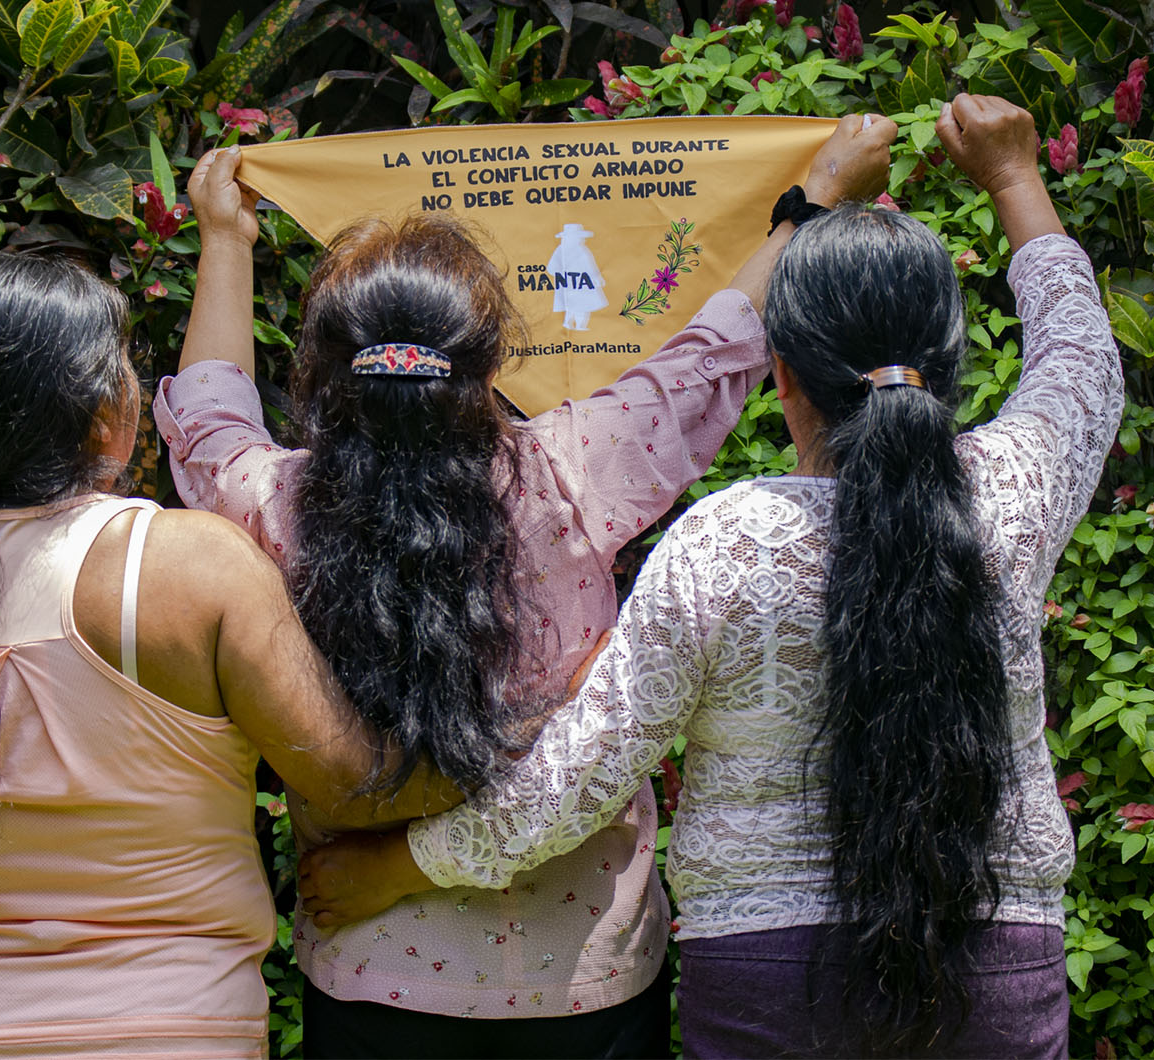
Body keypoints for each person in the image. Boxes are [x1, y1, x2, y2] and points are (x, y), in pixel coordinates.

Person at [298, 94, 1123, 1059]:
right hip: (999, 967)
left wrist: (401, 866)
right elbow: (1083, 357)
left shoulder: (726, 544)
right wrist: (1015, 176)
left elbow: (580, 779)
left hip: (769, 992)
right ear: (949, 361)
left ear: (783, 375)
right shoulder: (1018, 492)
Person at [154, 116, 899, 1058]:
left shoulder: (271, 505)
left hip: (372, 972)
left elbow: (210, 411)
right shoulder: (574, 469)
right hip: (585, 984)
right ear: (491, 362)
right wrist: (818, 194)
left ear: (328, 373)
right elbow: (718, 350)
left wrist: (226, 239)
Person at [0, 253, 456, 1058]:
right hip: (161, 1032)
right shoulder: (190, 567)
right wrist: (540, 755)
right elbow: (359, 785)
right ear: (107, 413)